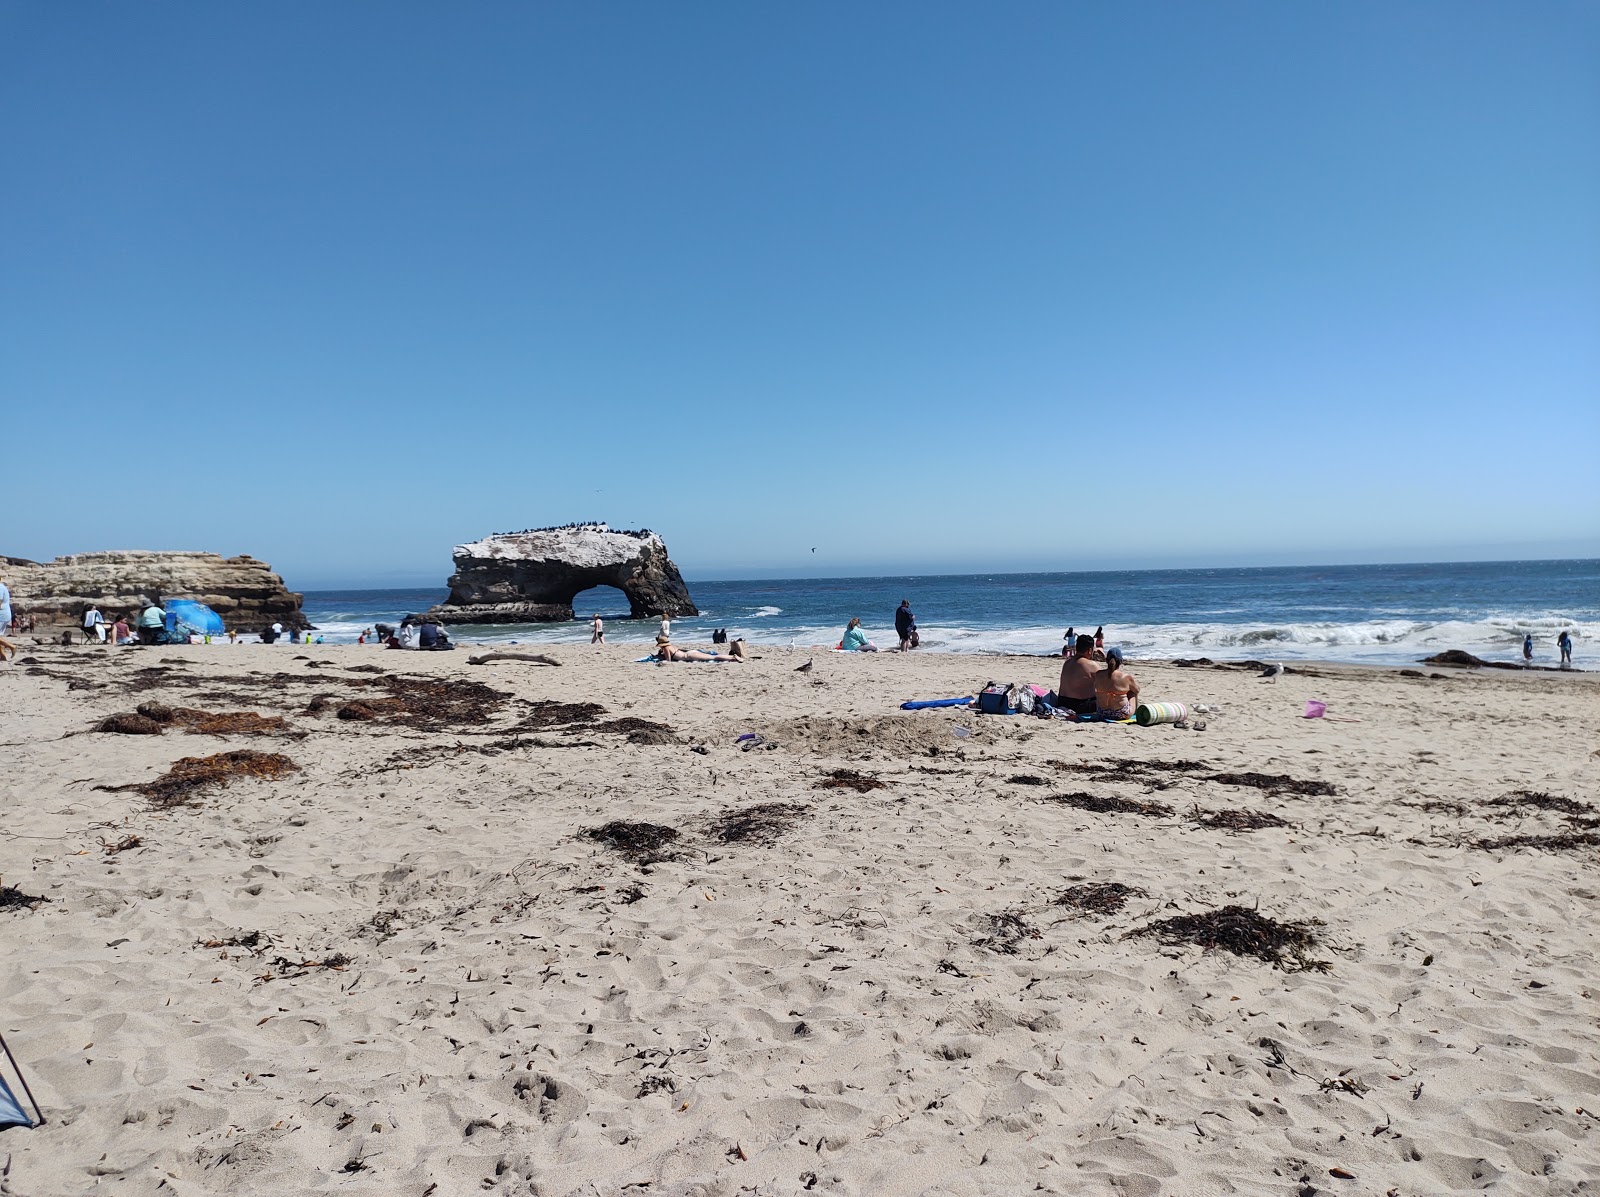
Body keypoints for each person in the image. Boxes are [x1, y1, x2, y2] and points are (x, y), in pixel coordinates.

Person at [1049, 634, 1102, 715]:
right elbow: (1107, 682)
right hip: (1080, 706)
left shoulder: (1067, 662)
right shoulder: (1092, 665)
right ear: (1090, 650)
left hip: (1062, 702)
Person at [1093, 647, 1140, 720]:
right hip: (1122, 714)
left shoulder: (1098, 674)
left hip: (1102, 713)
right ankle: (1136, 712)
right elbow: (1137, 690)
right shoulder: (1126, 677)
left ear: (1107, 661)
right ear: (1120, 661)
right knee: (1132, 692)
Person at [654, 634, 738, 663]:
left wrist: (661, 660)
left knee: (713, 657)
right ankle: (731, 657)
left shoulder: (665, 648)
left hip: (689, 656)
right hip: (690, 653)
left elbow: (668, 660)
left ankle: (733, 657)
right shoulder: (670, 646)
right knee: (712, 656)